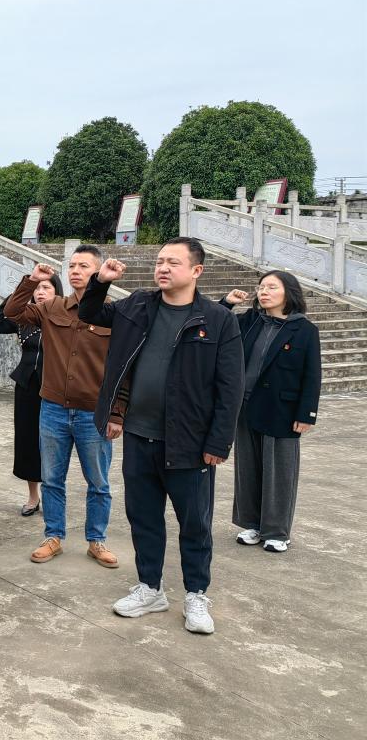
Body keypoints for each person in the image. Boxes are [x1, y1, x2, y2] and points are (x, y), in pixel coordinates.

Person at [79, 237, 244, 635]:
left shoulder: (217, 320)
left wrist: (218, 442)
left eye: (173, 262)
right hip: (139, 435)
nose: (163, 268)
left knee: (195, 524)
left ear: (196, 270)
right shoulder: (138, 305)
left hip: (190, 443)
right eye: (159, 261)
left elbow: (231, 388)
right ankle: (150, 588)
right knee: (144, 518)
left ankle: (196, 594)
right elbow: (90, 313)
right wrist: (100, 281)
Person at [3, 247, 120, 569]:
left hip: (93, 413)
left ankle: (96, 540)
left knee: (98, 483)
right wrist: (31, 281)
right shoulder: (52, 307)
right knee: (52, 479)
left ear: (99, 272)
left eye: (84, 266)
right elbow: (12, 312)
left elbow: (125, 367)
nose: (76, 271)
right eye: (72, 265)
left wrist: (117, 412)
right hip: (53, 409)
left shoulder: (113, 313)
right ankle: (53, 536)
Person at [222, 272, 321, 553]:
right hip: (246, 406)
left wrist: (307, 414)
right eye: (261, 287)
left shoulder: (304, 330)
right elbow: (214, 322)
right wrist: (228, 303)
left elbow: (312, 375)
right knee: (248, 468)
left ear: (288, 292)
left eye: (271, 287)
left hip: (283, 411)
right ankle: (252, 524)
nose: (263, 292)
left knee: (279, 473)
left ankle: (277, 531)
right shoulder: (249, 321)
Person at [0, 273, 64, 517]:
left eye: (46, 287)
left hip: (54, 388)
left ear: (57, 291)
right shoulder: (24, 317)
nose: (40, 292)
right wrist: (24, 287)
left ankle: (53, 495)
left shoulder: (65, 317)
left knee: (53, 443)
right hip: (26, 386)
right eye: (37, 288)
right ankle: (33, 496)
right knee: (27, 442)